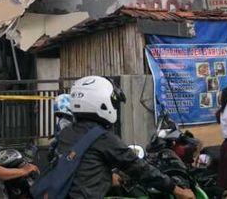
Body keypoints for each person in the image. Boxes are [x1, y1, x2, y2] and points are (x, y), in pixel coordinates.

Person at [53, 76, 195, 199]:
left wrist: (106, 178)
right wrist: (176, 190)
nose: (114, 107)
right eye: (113, 102)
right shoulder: (102, 137)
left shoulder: (66, 134)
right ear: (101, 103)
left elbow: (82, 169)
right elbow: (138, 168)